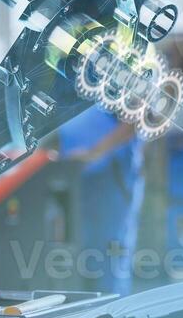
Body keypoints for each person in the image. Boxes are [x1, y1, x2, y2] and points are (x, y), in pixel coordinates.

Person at [56, 106, 142, 295]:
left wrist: (93, 153)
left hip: (109, 174)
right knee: (79, 253)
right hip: (75, 175)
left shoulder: (122, 81)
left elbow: (135, 119)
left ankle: (115, 317)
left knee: (110, 255)